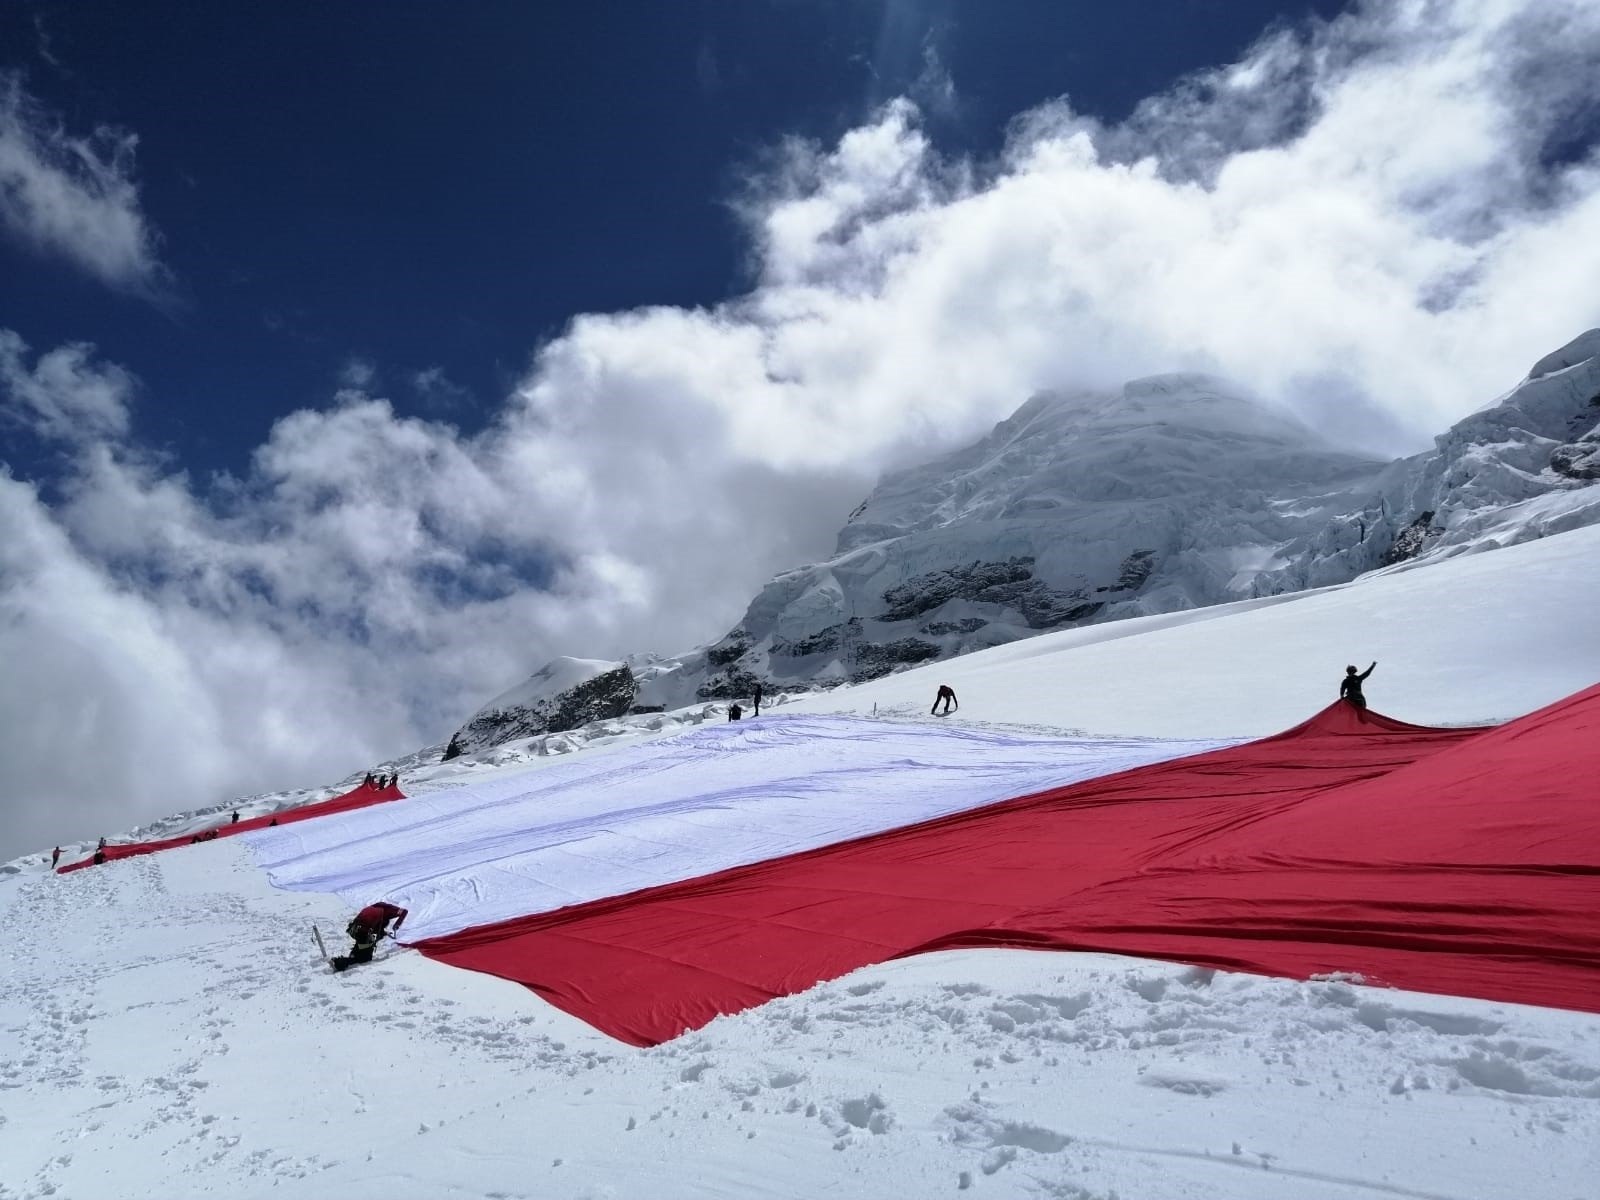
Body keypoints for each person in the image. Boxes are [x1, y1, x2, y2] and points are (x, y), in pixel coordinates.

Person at [330, 901, 409, 972]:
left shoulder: (377, 907)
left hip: (357, 927)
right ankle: (338, 963)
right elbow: (404, 912)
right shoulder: (390, 910)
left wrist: (382, 933)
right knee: (365, 958)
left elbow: (377, 927)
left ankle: (352, 955)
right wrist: (396, 925)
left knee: (362, 945)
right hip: (365, 929)